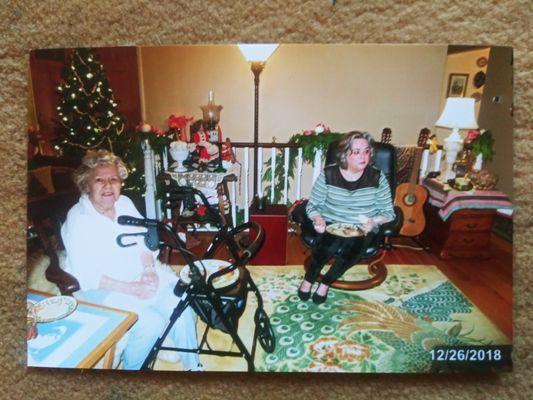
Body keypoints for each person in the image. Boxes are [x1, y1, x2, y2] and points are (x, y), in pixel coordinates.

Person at [61, 149, 201, 370]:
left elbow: (144, 240)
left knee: (181, 306)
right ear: (87, 185)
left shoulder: (124, 203)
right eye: (99, 180)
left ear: (120, 184)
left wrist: (148, 270)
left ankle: (194, 368)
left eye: (113, 179)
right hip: (103, 288)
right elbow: (86, 274)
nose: (108, 186)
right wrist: (132, 288)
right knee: (150, 323)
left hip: (138, 276)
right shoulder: (78, 219)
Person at [298, 131, 395, 304]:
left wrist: (374, 221)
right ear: (344, 154)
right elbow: (312, 205)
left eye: (366, 151)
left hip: (363, 225)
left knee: (352, 252)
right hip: (332, 221)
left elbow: (389, 212)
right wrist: (318, 219)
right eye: (356, 152)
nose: (363, 156)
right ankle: (309, 279)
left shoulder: (377, 178)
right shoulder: (328, 174)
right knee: (325, 247)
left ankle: (325, 283)